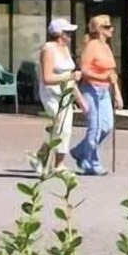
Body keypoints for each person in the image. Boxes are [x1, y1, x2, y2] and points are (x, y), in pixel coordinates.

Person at [29, 18, 86, 175]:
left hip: (66, 93)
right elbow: (47, 78)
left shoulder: (65, 49)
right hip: (51, 94)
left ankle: (42, 157)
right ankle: (57, 164)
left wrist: (80, 100)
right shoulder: (48, 49)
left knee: (61, 128)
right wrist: (70, 77)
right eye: (67, 32)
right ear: (59, 34)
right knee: (61, 126)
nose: (70, 36)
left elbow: (70, 77)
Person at [70, 15, 123, 176]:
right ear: (99, 29)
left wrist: (117, 92)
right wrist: (103, 78)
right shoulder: (91, 46)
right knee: (95, 127)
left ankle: (80, 151)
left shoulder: (106, 46)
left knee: (106, 127)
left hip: (105, 91)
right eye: (107, 26)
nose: (111, 29)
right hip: (91, 90)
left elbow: (110, 72)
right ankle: (91, 162)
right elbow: (84, 70)